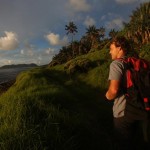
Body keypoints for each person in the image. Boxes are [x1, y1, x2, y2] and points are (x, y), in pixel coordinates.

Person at [105, 36, 150, 150]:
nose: (110, 52)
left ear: (119, 48)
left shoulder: (116, 64)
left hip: (123, 112)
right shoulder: (136, 61)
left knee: (123, 144)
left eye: (111, 48)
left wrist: (107, 95)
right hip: (141, 107)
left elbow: (113, 91)